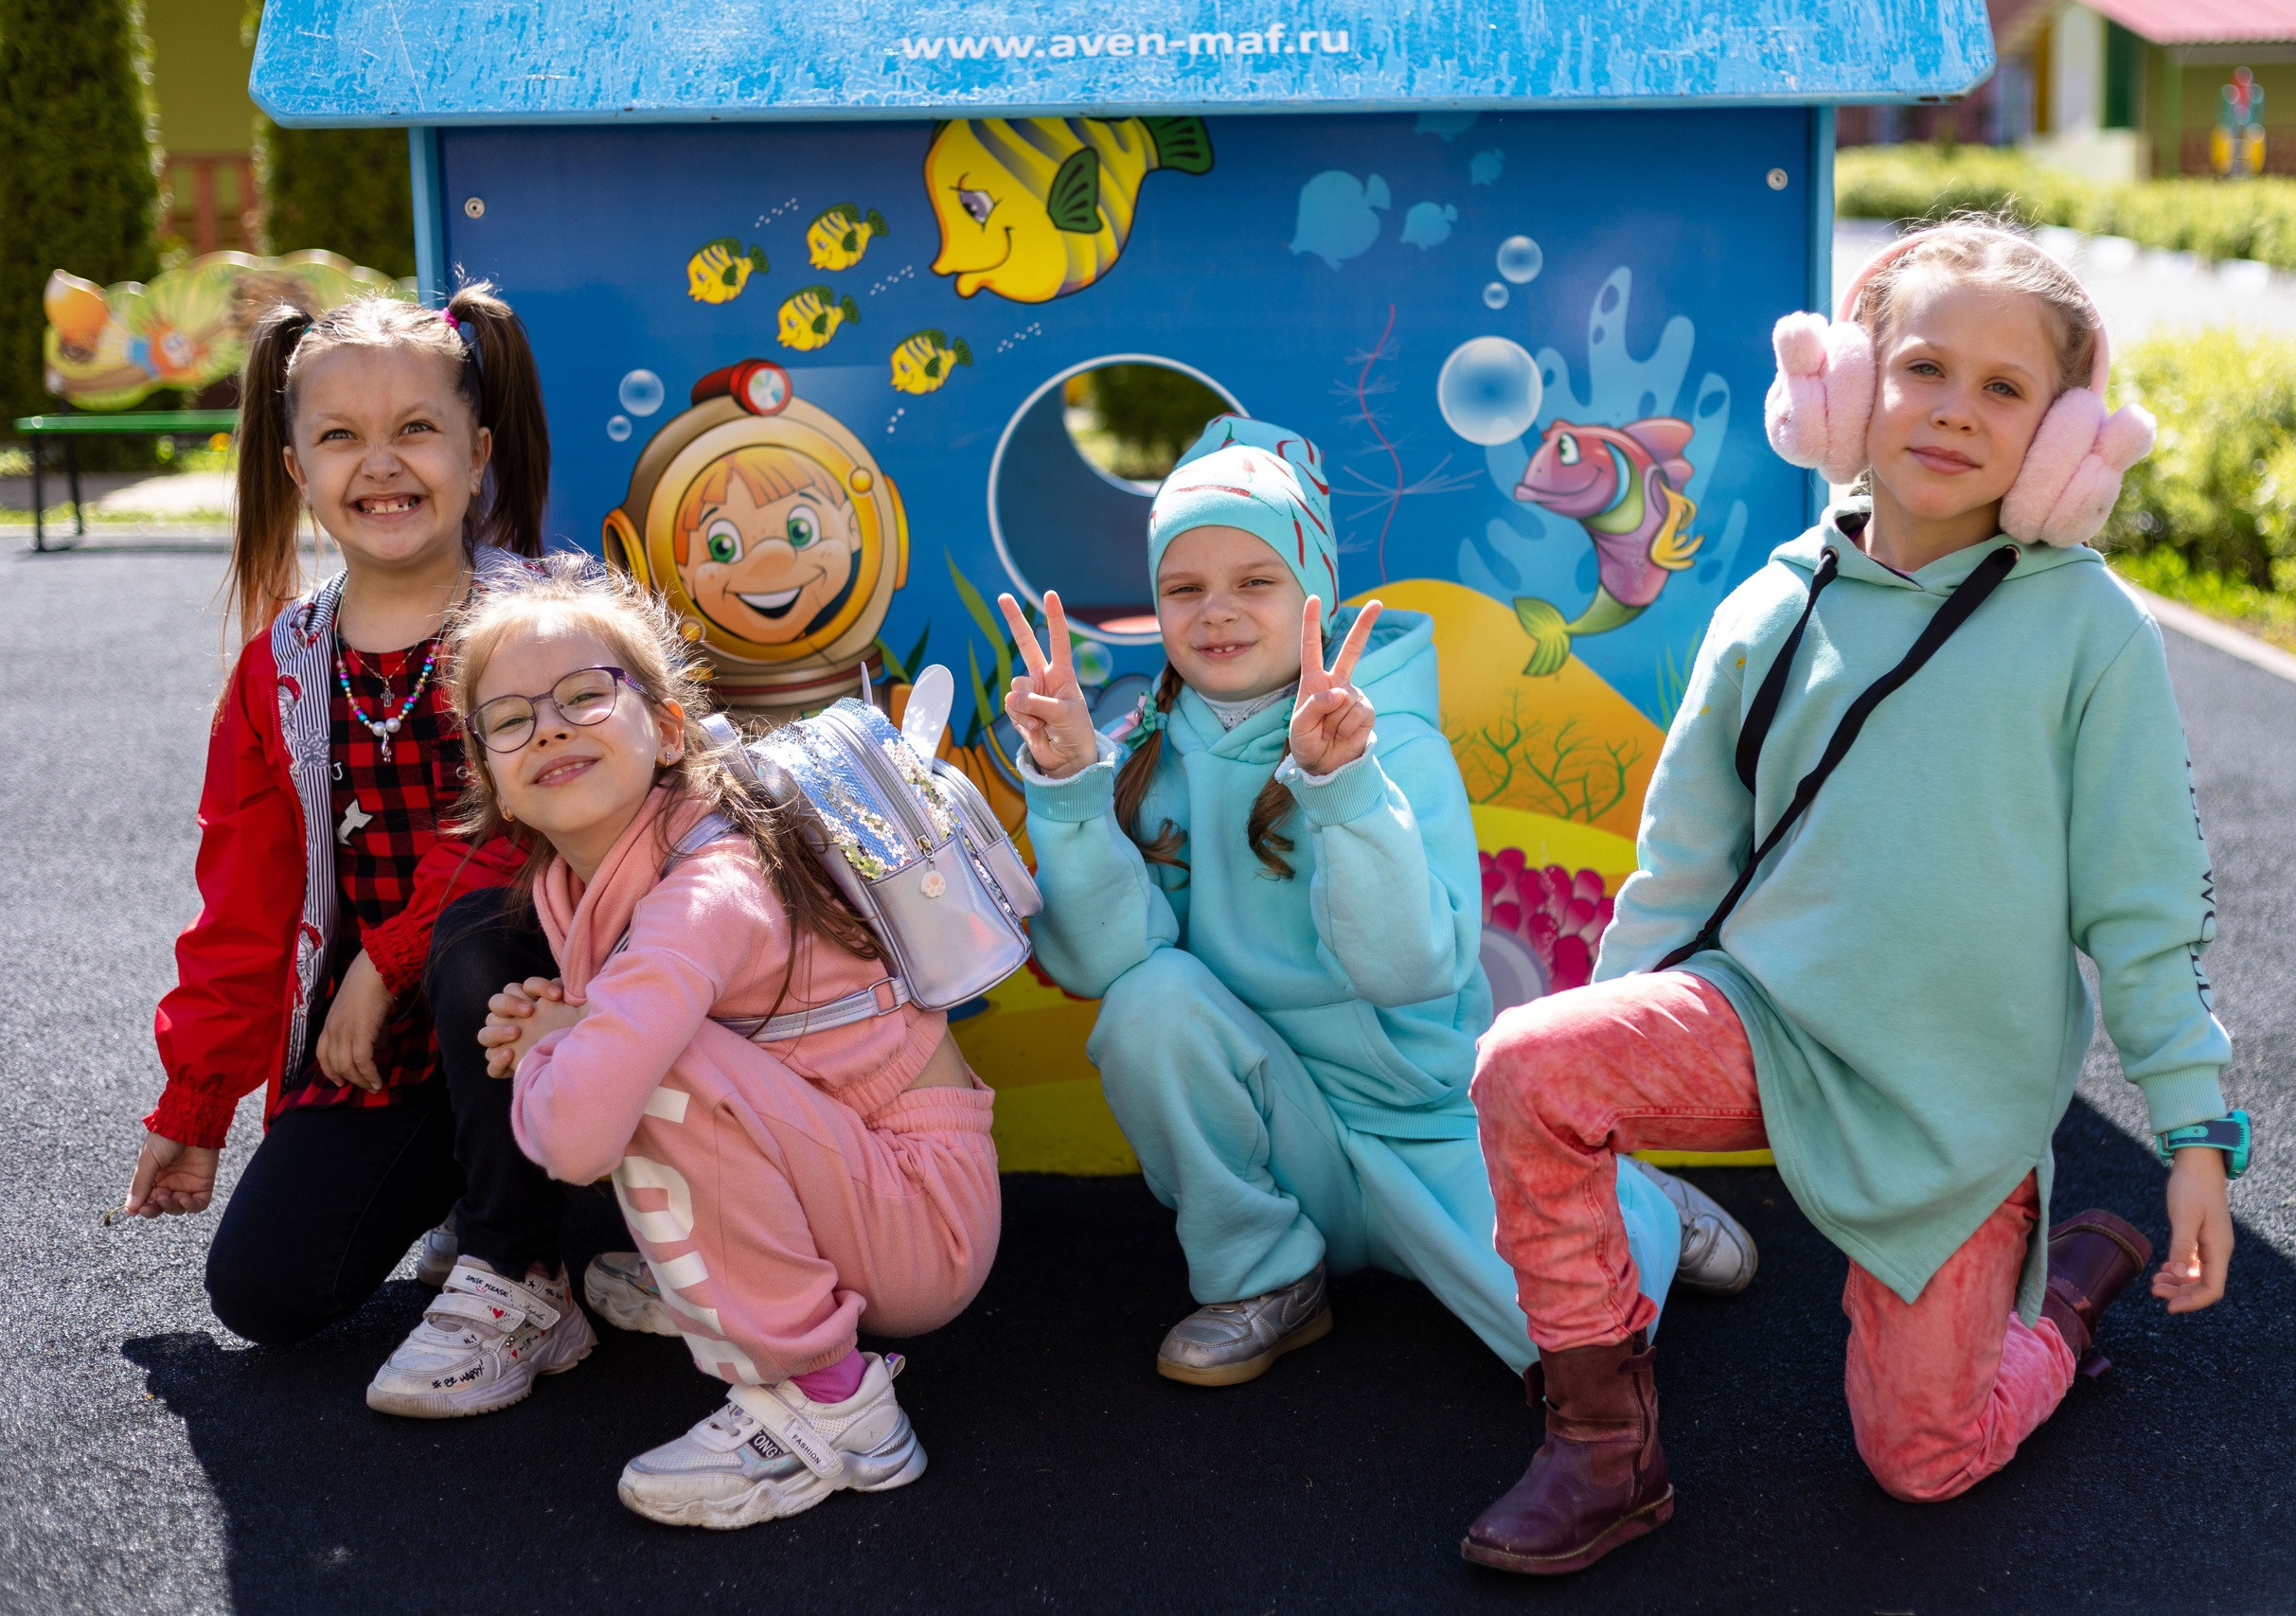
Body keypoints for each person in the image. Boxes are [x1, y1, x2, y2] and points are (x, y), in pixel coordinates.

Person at [1460, 219, 2245, 1574]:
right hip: (1760, 1018)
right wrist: (1604, 1055)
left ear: (2065, 437)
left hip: (1956, 1092)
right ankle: (1602, 1444)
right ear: (1845, 384)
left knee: (1923, 1464)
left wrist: (2191, 1133)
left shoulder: (2091, 627)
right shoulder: (1770, 602)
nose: (1952, 409)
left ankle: (2055, 1309)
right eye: (1924, 366)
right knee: (1530, 1063)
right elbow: (1684, 859)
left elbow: (2144, 903)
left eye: (2005, 389)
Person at [996, 415, 1735, 1389]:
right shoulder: (1146, 753)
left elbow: (1406, 970)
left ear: (1315, 590)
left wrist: (1343, 792)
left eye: (1254, 581)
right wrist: (1069, 792)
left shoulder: (1398, 749)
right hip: (1277, 1140)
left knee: (1574, 1344)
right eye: (1184, 588)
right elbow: (1102, 967)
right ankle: (1267, 1279)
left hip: (1425, 1127)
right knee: (1148, 1005)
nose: (1216, 613)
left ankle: (1628, 1200)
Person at [465, 562, 1000, 1529]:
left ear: (668, 730)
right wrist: (575, 1038)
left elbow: (579, 1138)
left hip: (923, 1221)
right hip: (854, 1182)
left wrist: (554, 1050)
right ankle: (731, 1289)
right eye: (510, 719)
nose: (548, 726)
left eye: (585, 696)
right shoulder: (585, 878)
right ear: (494, 781)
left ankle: (836, 1408)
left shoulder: (705, 886)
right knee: (631, 1057)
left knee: (650, 1070)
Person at [126, 288, 578, 1405]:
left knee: (483, 927)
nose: (381, 464)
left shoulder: (544, 626)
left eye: (415, 429)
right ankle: (481, 1200)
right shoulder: (280, 670)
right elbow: (243, 903)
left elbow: (528, 833)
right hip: (377, 1051)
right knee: (262, 1294)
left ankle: (523, 1268)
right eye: (340, 437)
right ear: (296, 471)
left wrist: (386, 960)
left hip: (562, 1015)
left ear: (477, 455)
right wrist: (195, 1109)